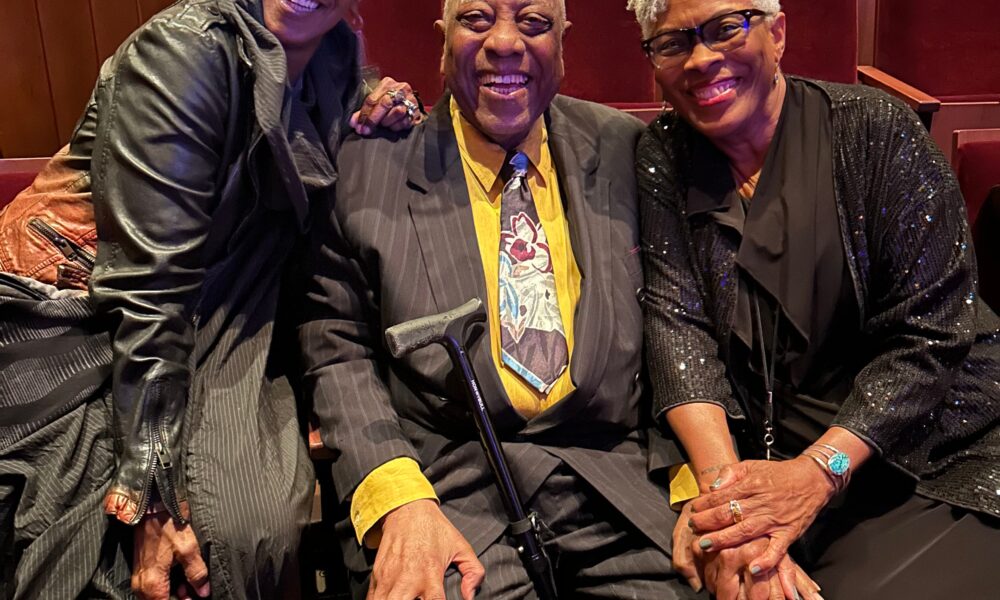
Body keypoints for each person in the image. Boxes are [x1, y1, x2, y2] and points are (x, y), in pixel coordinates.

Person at [297, 0, 824, 598]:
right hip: (448, 495)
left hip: (623, 491)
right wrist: (398, 501)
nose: (505, 43)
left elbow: (677, 323)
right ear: (441, 42)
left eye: (533, 23)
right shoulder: (367, 166)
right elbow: (335, 345)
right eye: (476, 19)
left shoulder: (628, 148)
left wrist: (704, 496)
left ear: (563, 44)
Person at [0, 1, 422, 598]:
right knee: (153, 535)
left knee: (252, 514)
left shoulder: (333, 59)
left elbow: (314, 118)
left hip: (210, 314)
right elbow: (149, 285)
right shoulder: (186, 50)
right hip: (77, 320)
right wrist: (151, 493)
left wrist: (383, 104)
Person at [627, 0, 1000, 598]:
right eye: (673, 43)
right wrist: (730, 513)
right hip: (768, 469)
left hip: (930, 454)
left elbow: (932, 336)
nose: (700, 59)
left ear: (777, 33)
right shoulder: (663, 153)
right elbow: (678, 330)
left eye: (725, 29)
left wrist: (818, 474)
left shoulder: (876, 130)